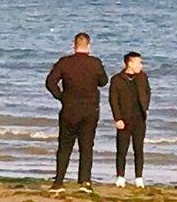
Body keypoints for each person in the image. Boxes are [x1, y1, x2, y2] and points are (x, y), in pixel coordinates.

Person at [45, 33, 108, 186]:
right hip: (90, 110)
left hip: (69, 109)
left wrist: (61, 96)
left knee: (65, 146)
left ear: (74, 46)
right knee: (86, 146)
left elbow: (50, 82)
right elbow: (103, 81)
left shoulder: (65, 62)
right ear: (89, 46)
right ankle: (84, 181)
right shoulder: (95, 63)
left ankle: (59, 181)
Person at [109, 50, 151, 187]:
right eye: (139, 62)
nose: (141, 65)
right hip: (124, 119)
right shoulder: (117, 79)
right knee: (122, 149)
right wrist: (117, 118)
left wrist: (146, 107)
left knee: (139, 149)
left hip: (139, 118)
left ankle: (139, 177)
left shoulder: (142, 77)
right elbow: (113, 100)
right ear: (130, 63)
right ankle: (120, 177)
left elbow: (147, 92)